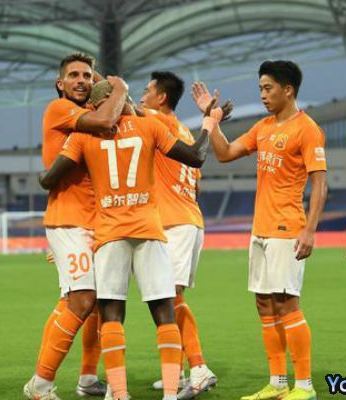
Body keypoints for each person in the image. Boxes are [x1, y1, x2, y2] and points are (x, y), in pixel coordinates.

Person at [39, 80, 229, 400]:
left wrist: (46, 180)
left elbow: (49, 179)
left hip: (109, 233)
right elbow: (197, 156)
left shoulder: (83, 136)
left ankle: (119, 393)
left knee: (111, 315)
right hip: (149, 229)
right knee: (164, 311)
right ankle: (171, 393)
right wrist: (209, 124)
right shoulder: (150, 126)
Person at [191, 59, 328, 400]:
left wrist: (310, 229)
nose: (263, 95)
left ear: (288, 90)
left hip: (287, 228)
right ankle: (278, 383)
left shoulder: (307, 128)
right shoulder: (263, 127)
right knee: (265, 305)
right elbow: (224, 153)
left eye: (268, 88)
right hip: (261, 228)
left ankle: (305, 386)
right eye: (260, 89)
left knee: (287, 304)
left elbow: (320, 184)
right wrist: (211, 119)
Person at [24, 52, 129, 399]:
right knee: (83, 299)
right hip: (69, 219)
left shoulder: (87, 116)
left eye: (87, 75)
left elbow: (124, 117)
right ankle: (40, 383)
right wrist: (119, 88)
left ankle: (87, 377)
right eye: (74, 75)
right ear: (60, 83)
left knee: (90, 302)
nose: (81, 81)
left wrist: (108, 89)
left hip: (95, 220)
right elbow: (107, 120)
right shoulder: (60, 109)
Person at [139, 71, 217, 398]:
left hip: (175, 224)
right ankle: (180, 370)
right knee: (167, 297)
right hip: (187, 218)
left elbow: (121, 104)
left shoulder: (157, 120)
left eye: (147, 91)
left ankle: (199, 368)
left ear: (161, 98)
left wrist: (102, 82)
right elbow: (197, 184)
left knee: (170, 298)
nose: (142, 96)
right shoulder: (183, 130)